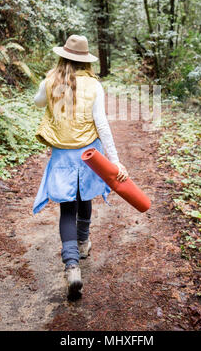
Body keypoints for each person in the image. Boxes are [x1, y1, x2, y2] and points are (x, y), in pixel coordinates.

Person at [32, 34, 128, 300]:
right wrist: (115, 159)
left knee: (67, 207)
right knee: (85, 195)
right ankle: (84, 242)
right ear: (86, 61)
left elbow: (38, 102)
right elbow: (102, 124)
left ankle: (72, 266)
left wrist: (50, 86)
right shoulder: (94, 86)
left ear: (62, 56)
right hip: (89, 155)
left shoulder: (50, 81)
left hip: (62, 156)